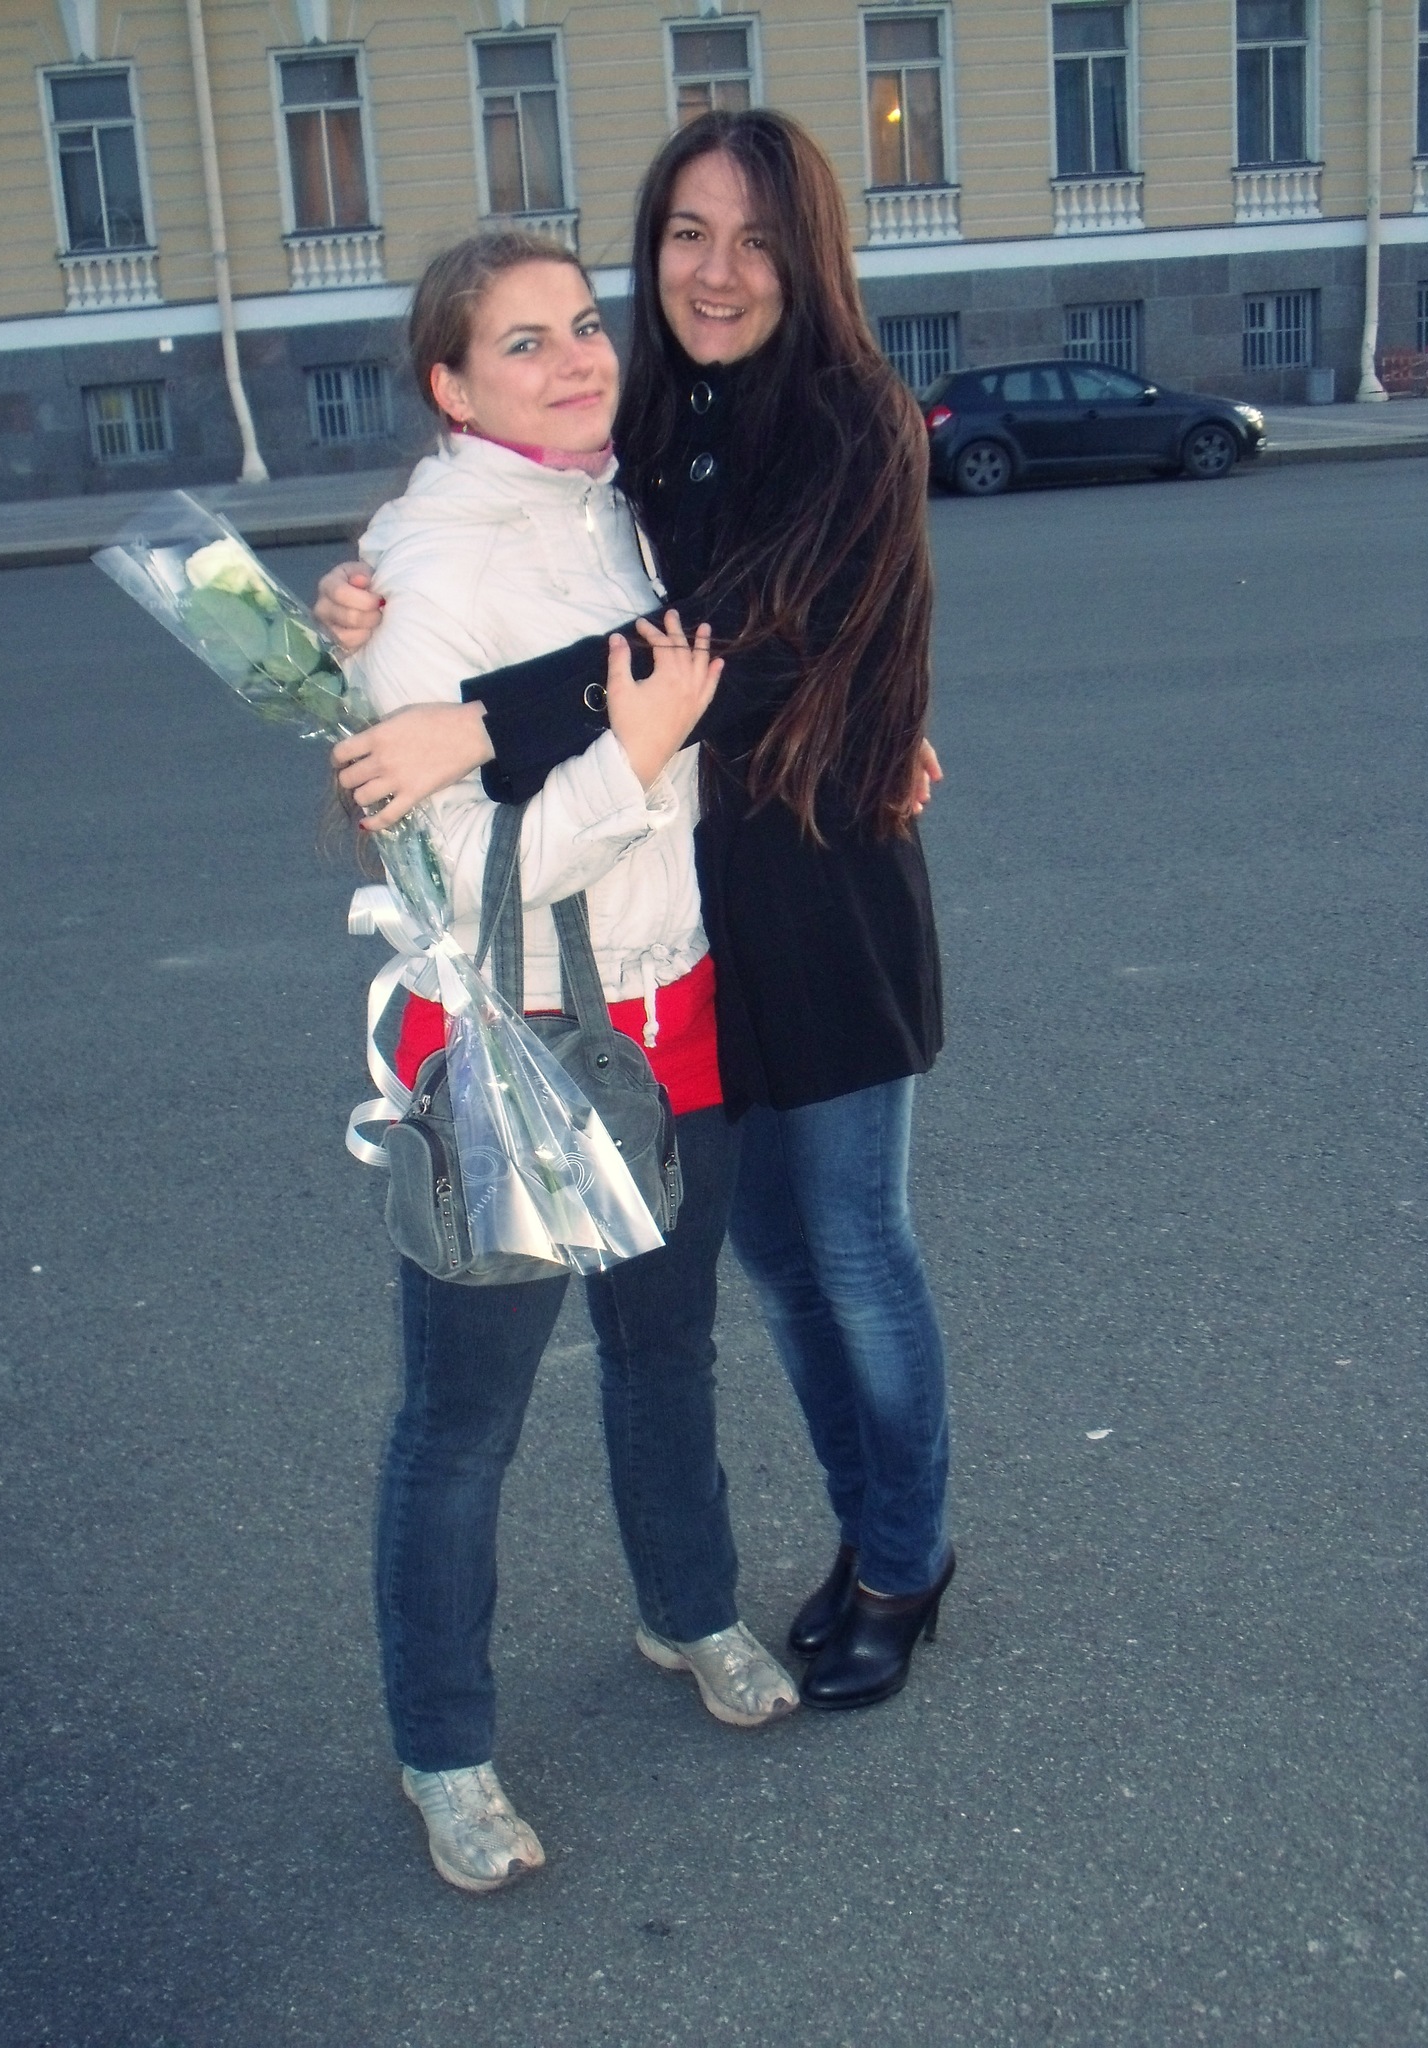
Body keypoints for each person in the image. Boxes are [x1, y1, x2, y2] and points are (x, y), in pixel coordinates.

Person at [325, 111, 954, 1721]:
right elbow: (556, 576)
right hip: (692, 919)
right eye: (686, 234)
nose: (717, 271)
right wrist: (365, 616)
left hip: (825, 894)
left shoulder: (848, 420)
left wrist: (469, 722)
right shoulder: (646, 425)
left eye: (755, 238)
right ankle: (849, 1536)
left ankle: (902, 1562)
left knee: (852, 1251)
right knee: (777, 1267)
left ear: (808, 253)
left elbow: (731, 653)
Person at [353, 229, 798, 1897]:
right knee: (461, 1424)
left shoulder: (618, 508)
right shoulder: (424, 570)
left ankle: (688, 1608)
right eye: (523, 343)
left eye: (584, 325)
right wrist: (636, 757)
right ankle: (443, 1748)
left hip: (670, 1011)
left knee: (666, 1350)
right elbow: (459, 868)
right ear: (452, 386)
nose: (577, 359)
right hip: (515, 1040)